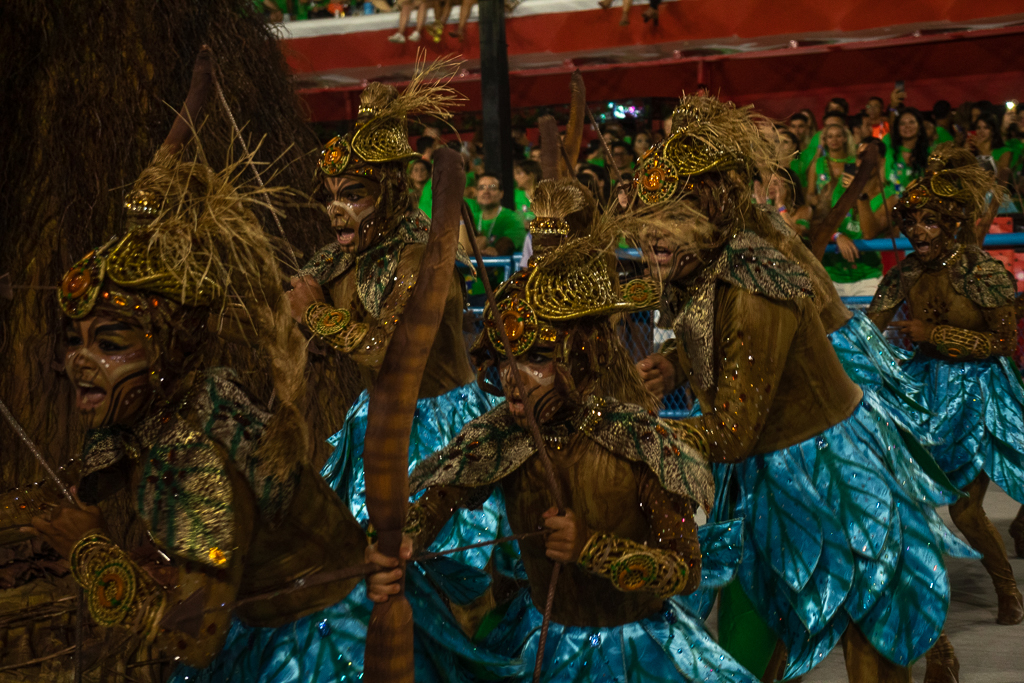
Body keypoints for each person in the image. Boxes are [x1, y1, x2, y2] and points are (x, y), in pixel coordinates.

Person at [632, 95, 970, 682]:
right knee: (754, 639)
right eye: (649, 215)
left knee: (871, 631)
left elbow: (734, 428)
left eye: (673, 212)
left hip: (827, 460)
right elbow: (713, 340)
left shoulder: (755, 276)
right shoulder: (704, 264)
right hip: (761, 468)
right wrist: (674, 363)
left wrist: (632, 433)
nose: (651, 232)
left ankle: (929, 648)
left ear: (711, 205)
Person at [367, 183, 759, 683]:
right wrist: (398, 545)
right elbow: (435, 503)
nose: (512, 376)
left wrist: (591, 548)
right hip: (542, 648)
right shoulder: (501, 439)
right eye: (504, 359)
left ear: (582, 356)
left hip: (640, 651)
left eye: (535, 359)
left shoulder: (640, 444)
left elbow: (686, 569)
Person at [32, 119, 378, 680]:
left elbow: (190, 639)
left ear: (170, 352)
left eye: (111, 343)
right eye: (75, 340)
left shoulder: (192, 459)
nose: (80, 362)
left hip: (317, 653)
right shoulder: (176, 404)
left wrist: (92, 553)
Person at [284, 69, 509, 642]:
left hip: (439, 427)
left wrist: (316, 317)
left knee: (453, 571)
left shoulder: (419, 258)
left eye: (352, 195)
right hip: (374, 424)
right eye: (330, 197)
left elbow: (392, 353)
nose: (336, 211)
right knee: (368, 570)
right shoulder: (339, 257)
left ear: (387, 191)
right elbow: (283, 303)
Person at [867, 144, 1024, 628]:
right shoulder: (907, 272)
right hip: (924, 389)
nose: (917, 233)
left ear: (952, 223)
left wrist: (934, 334)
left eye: (929, 223)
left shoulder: (984, 273)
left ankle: (1007, 589)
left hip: (980, 396)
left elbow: (1003, 341)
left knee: (964, 509)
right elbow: (866, 328)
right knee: (889, 491)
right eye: (911, 224)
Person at [467, 173, 527, 255]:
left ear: (501, 193)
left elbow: (507, 243)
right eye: (481, 188)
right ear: (476, 193)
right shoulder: (472, 218)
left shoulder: (512, 218)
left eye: (492, 187)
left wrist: (496, 250)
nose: (486, 191)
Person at [884, 108, 930, 196]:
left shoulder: (928, 153)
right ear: (897, 128)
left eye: (911, 122)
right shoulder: (888, 145)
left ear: (920, 126)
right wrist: (893, 106)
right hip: (888, 204)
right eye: (902, 123)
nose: (907, 126)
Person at [967, 112, 1012, 183]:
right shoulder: (972, 151)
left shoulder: (1004, 151)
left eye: (986, 128)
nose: (981, 131)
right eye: (978, 128)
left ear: (993, 131)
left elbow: (1000, 176)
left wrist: (982, 150)